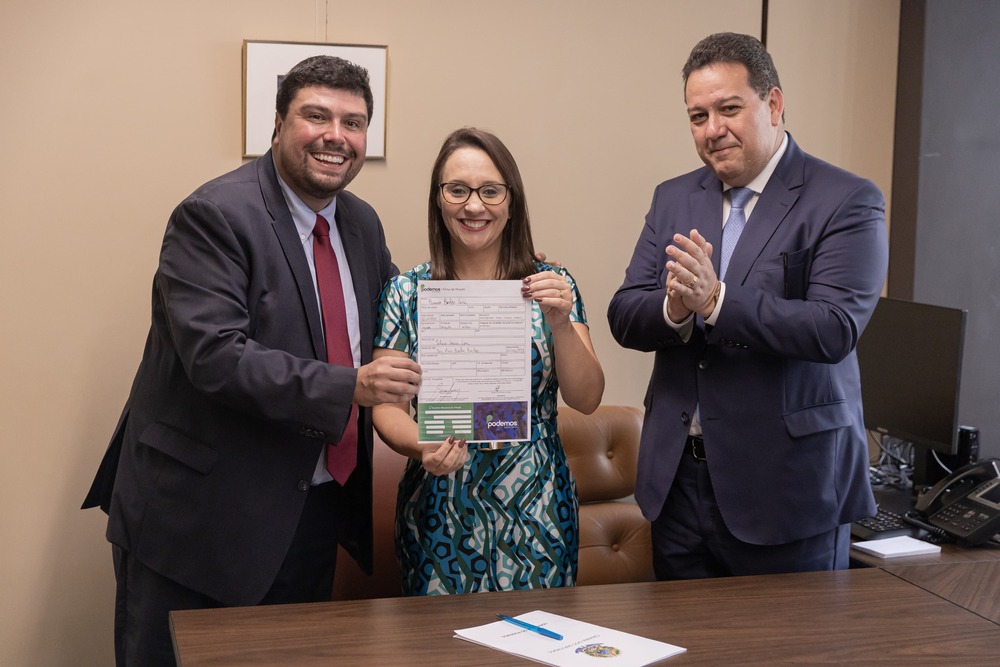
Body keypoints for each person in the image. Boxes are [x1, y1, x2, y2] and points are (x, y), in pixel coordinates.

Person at [81, 56, 422, 665]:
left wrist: (504, 304)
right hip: (199, 522)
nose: (335, 136)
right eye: (316, 115)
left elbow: (402, 327)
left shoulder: (362, 224)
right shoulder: (215, 216)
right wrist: (354, 385)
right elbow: (215, 356)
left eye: (353, 122)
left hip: (312, 511)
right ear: (278, 123)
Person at [607, 33, 888, 580]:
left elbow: (833, 329)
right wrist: (677, 312)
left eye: (729, 109)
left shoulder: (846, 199)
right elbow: (624, 312)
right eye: (697, 116)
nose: (713, 130)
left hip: (787, 492)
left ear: (774, 103)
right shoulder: (674, 196)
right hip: (679, 489)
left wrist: (716, 301)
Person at [373, 127, 605, 595]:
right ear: (439, 199)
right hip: (440, 498)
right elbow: (386, 406)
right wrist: (423, 446)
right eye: (457, 190)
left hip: (536, 503)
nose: (473, 206)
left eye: (490, 191)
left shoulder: (552, 284)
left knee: (540, 646)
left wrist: (560, 322)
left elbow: (586, 399)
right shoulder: (406, 292)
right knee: (441, 652)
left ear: (511, 199)